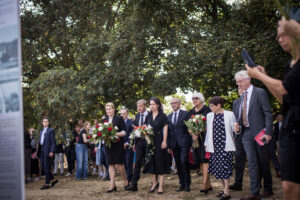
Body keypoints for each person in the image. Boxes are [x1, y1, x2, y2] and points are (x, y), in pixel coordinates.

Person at [246, 16, 300, 200]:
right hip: (290, 131)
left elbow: (285, 87)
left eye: (284, 34)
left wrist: (260, 77)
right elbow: (283, 96)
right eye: (278, 36)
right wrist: (266, 76)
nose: (280, 40)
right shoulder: (289, 65)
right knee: (289, 186)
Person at [233, 70, 273, 200]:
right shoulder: (241, 97)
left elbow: (268, 113)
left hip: (260, 133)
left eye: (240, 81)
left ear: (248, 80)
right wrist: (237, 125)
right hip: (246, 133)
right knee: (252, 162)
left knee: (263, 161)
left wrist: (268, 132)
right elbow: (241, 115)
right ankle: (255, 192)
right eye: (237, 82)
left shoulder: (260, 93)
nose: (238, 84)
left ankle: (268, 188)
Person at [205, 96, 237, 200]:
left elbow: (235, 130)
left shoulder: (229, 114)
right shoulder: (209, 115)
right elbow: (208, 132)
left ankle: (227, 191)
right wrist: (206, 143)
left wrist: (237, 129)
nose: (210, 108)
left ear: (219, 105)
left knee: (225, 167)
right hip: (214, 146)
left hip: (225, 146)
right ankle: (223, 189)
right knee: (218, 168)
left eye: (212, 106)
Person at [186, 92, 212, 194]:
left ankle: (204, 184)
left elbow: (209, 124)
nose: (194, 100)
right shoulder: (191, 112)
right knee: (200, 161)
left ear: (201, 99)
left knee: (205, 160)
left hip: (205, 138)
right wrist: (193, 133)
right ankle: (208, 184)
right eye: (192, 99)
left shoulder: (207, 110)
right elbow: (187, 125)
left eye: (196, 98)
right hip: (195, 139)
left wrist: (198, 131)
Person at [143, 97, 170, 194]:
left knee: (160, 163)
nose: (152, 106)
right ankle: (154, 183)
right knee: (150, 163)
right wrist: (147, 139)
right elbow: (144, 130)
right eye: (150, 104)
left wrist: (164, 141)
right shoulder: (148, 116)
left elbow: (165, 128)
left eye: (153, 104)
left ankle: (161, 186)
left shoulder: (163, 116)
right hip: (150, 141)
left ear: (158, 105)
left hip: (159, 141)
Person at [103, 102, 128, 193]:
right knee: (110, 164)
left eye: (110, 109)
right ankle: (112, 185)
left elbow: (124, 132)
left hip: (117, 144)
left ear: (113, 109)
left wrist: (114, 134)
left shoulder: (119, 118)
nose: (108, 111)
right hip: (108, 145)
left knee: (118, 164)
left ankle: (125, 180)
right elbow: (101, 132)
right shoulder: (104, 120)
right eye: (107, 109)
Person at [167, 97, 191, 192]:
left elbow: (189, 128)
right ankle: (182, 184)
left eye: (175, 103)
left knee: (183, 161)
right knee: (178, 164)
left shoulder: (186, 114)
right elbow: (168, 132)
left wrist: (190, 142)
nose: (173, 104)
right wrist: (169, 146)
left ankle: (187, 183)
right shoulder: (168, 116)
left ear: (179, 103)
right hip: (174, 144)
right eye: (172, 103)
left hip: (184, 142)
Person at [127, 99, 148, 191]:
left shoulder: (150, 115)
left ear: (145, 106)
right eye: (137, 106)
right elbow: (135, 130)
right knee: (137, 163)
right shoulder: (137, 115)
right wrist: (134, 143)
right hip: (139, 142)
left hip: (148, 142)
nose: (138, 108)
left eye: (140, 106)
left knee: (150, 162)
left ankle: (155, 183)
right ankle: (134, 184)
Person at [230, 88, 246, 191]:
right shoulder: (236, 102)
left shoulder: (254, 99)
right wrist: (234, 132)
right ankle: (238, 183)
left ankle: (258, 182)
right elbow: (234, 118)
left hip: (252, 133)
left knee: (255, 160)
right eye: (239, 88)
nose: (241, 89)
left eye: (243, 88)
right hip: (239, 135)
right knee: (239, 159)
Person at [38, 117, 58, 190]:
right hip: (42, 150)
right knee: (43, 167)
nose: (45, 123)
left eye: (47, 121)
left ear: (48, 123)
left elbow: (53, 142)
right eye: (44, 121)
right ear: (42, 123)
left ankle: (47, 184)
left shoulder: (50, 130)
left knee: (47, 167)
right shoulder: (41, 131)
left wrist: (52, 151)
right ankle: (53, 180)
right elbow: (40, 142)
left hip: (48, 151)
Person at [120, 108, 134, 186]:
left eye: (124, 114)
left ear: (127, 114)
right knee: (123, 164)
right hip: (120, 147)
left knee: (129, 164)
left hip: (128, 147)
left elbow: (132, 134)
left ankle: (129, 180)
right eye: (121, 114)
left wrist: (126, 143)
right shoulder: (118, 123)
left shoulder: (131, 122)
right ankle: (125, 180)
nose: (122, 115)